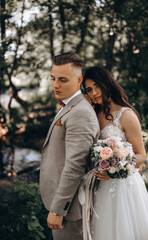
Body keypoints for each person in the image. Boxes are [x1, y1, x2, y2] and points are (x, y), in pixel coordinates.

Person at [82, 66, 148, 240]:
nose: (94, 92)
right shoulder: (92, 114)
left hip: (122, 187)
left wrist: (116, 169)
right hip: (98, 187)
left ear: (106, 84)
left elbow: (141, 155)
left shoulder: (126, 115)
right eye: (89, 89)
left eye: (97, 86)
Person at [40, 52, 100, 240]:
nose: (56, 85)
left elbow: (75, 165)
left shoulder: (80, 112)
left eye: (63, 80)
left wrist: (59, 209)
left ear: (78, 80)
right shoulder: (69, 105)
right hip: (62, 202)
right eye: (53, 78)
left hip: (69, 209)